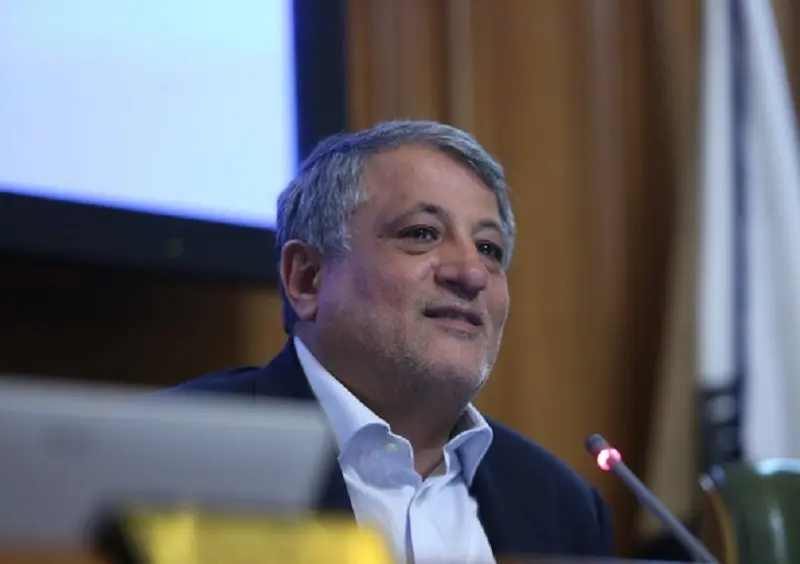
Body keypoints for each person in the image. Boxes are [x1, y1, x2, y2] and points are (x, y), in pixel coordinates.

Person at [168, 120, 614, 562]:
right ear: (307, 278)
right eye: (421, 233)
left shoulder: (562, 506)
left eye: (488, 248)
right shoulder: (180, 456)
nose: (471, 273)